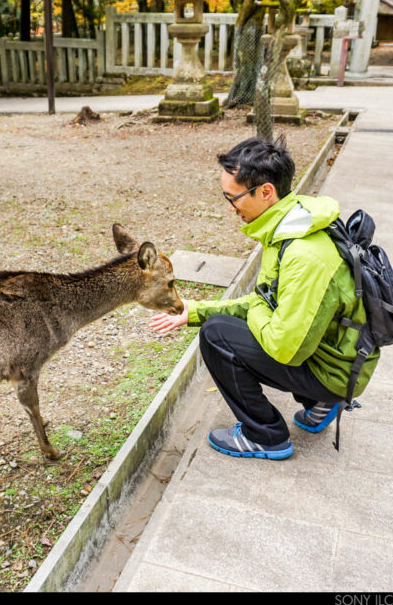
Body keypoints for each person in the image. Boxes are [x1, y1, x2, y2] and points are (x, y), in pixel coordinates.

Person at [149, 135, 379, 460]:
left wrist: (253, 307)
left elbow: (284, 347)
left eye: (234, 198)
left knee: (216, 335)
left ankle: (266, 436)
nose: (231, 208)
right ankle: (320, 402)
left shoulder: (303, 254)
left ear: (266, 192)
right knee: (221, 322)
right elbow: (268, 302)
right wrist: (194, 310)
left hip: (337, 371)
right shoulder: (293, 225)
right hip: (339, 354)